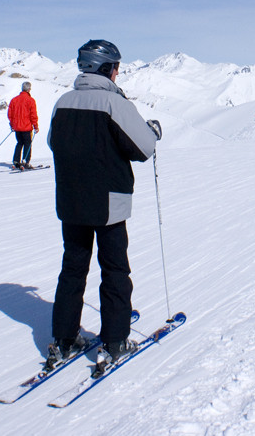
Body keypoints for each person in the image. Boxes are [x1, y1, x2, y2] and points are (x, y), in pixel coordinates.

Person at [45, 39, 161, 369]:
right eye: (117, 67)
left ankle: (63, 339)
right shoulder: (114, 103)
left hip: (70, 201)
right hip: (108, 202)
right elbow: (143, 147)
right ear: (107, 68)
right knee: (114, 270)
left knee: (72, 269)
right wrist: (152, 130)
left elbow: (55, 142)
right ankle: (114, 340)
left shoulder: (63, 102)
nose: (118, 73)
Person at [7, 81, 39, 169]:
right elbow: (33, 115)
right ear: (28, 90)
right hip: (26, 127)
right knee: (27, 143)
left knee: (19, 143)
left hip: (17, 127)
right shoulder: (30, 100)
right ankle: (25, 161)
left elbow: (10, 114)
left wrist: (12, 125)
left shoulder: (14, 100)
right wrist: (35, 126)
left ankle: (16, 161)